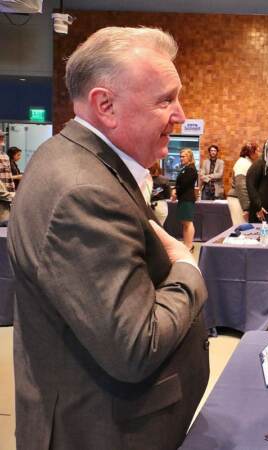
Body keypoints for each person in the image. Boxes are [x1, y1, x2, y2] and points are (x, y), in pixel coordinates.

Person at [7, 27, 210, 450]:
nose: (180, 114)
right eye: (165, 99)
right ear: (106, 105)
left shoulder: (78, 160)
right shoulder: (84, 191)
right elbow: (136, 345)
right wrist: (188, 271)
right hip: (104, 432)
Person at [173, 148, 198, 251]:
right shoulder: (185, 168)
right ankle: (186, 244)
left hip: (187, 199)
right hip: (183, 198)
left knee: (188, 222)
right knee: (184, 223)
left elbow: (184, 184)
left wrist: (175, 191)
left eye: (183, 156)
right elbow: (180, 183)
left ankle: (189, 245)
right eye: (180, 156)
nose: (181, 158)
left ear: (190, 157)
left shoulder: (191, 169)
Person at [227, 142, 257, 225]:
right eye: (256, 151)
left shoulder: (246, 162)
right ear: (251, 152)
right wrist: (246, 209)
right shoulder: (243, 163)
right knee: (241, 228)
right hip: (238, 200)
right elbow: (241, 186)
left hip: (239, 200)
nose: (258, 154)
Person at [149, 161, 171, 225]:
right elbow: (168, 195)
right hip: (160, 206)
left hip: (146, 206)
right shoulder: (164, 180)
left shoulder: (144, 179)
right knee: (159, 228)